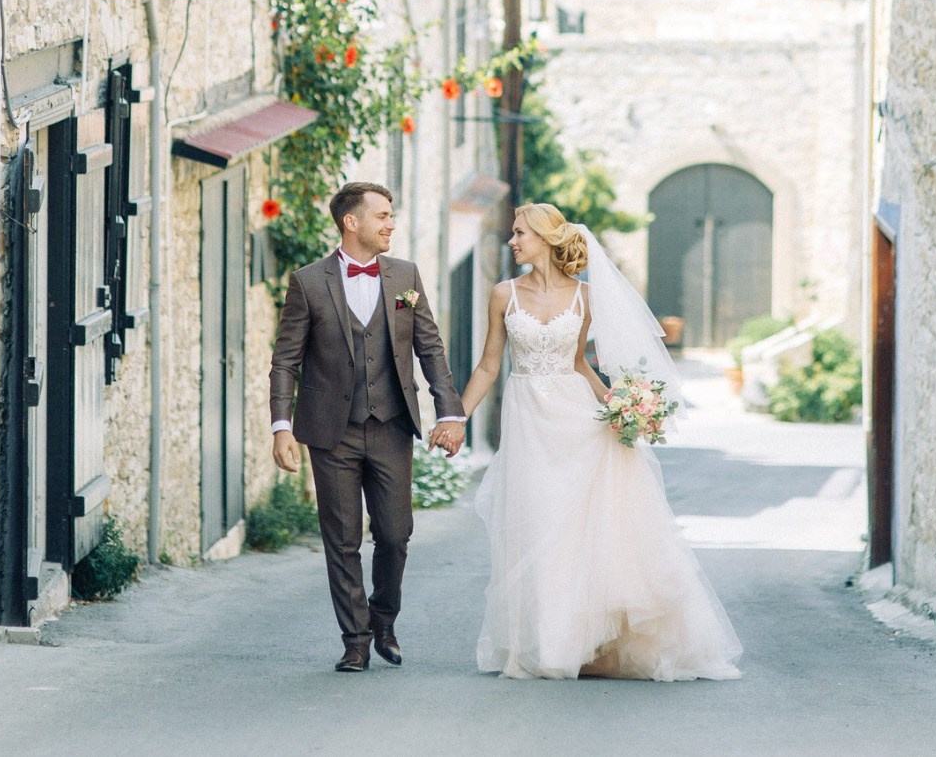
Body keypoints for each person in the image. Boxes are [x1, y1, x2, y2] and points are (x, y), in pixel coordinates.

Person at [460, 201, 743, 682]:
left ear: (547, 239)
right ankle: (550, 643)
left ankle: (578, 644)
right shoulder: (503, 294)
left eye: (520, 233)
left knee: (577, 532)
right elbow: (489, 365)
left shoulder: (585, 298)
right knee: (535, 525)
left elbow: (578, 363)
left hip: (578, 421)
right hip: (530, 420)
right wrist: (456, 417)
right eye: (513, 232)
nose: (512, 240)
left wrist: (620, 407)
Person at [269, 180, 466, 673]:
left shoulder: (405, 276)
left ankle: (384, 620)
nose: (390, 224)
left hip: (391, 425)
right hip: (329, 430)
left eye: (391, 216)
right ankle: (354, 640)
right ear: (350, 222)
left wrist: (449, 412)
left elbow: (431, 349)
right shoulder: (309, 282)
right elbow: (285, 361)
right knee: (342, 539)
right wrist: (281, 425)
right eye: (381, 216)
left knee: (396, 534)